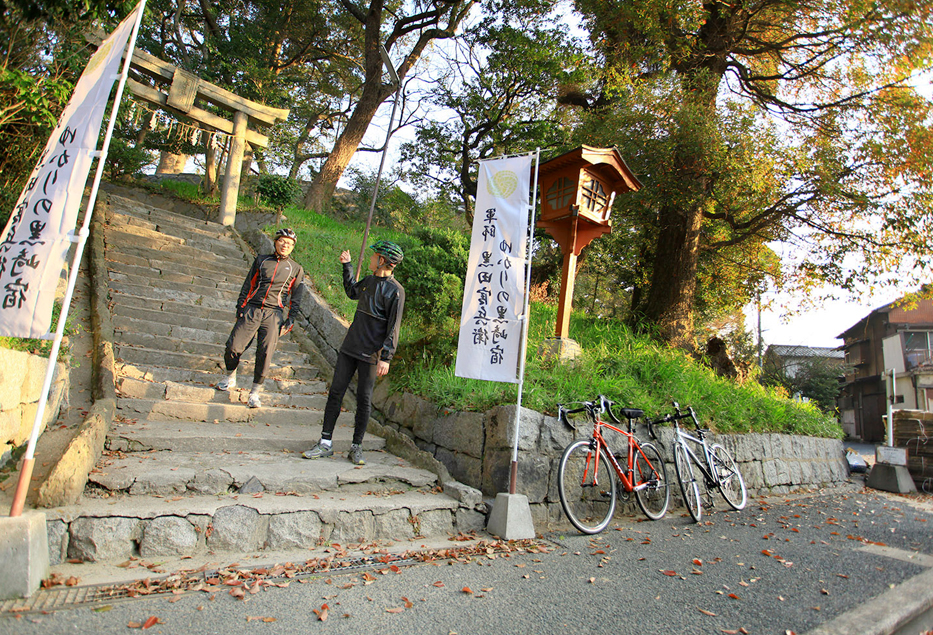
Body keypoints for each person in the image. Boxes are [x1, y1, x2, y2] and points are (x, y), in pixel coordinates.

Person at [303, 240, 405, 465]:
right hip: (350, 348)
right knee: (336, 392)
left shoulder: (396, 291)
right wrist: (346, 266)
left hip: (371, 354)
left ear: (382, 261)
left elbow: (393, 327)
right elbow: (351, 292)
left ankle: (356, 447)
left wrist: (386, 357)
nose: (370, 259)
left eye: (374, 256)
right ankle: (325, 443)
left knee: (363, 399)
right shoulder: (368, 281)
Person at [216, 228, 304, 409]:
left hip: (274, 315)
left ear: (293, 247)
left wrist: (291, 319)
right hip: (252, 309)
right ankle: (230, 377)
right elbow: (248, 284)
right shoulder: (262, 260)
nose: (285, 245)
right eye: (282, 241)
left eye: (289, 243)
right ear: (276, 242)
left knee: (265, 354)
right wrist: (240, 306)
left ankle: (255, 393)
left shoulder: (296, 269)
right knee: (233, 346)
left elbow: (296, 297)